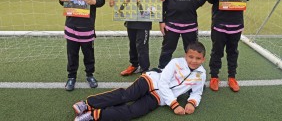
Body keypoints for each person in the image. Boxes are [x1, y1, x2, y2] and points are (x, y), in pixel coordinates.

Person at [72, 41, 206, 121]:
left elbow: (197, 92)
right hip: (150, 81)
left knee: (133, 112)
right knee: (127, 95)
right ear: (185, 56)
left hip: (159, 98)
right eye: (191, 57)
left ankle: (93, 116)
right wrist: (174, 104)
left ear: (203, 59)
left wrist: (192, 103)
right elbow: (163, 83)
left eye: (198, 58)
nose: (194, 61)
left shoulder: (201, 74)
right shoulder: (175, 63)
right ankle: (87, 104)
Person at [207, 0, 254, 92]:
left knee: (233, 51)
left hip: (236, 23)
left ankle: (232, 77)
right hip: (219, 23)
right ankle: (214, 76)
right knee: (217, 51)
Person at [59, 0, 105, 91]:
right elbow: (64, 1)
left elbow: (102, 1)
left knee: (88, 54)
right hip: (71, 27)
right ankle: (71, 77)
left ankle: (90, 75)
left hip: (87, 28)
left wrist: (95, 2)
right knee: (72, 54)